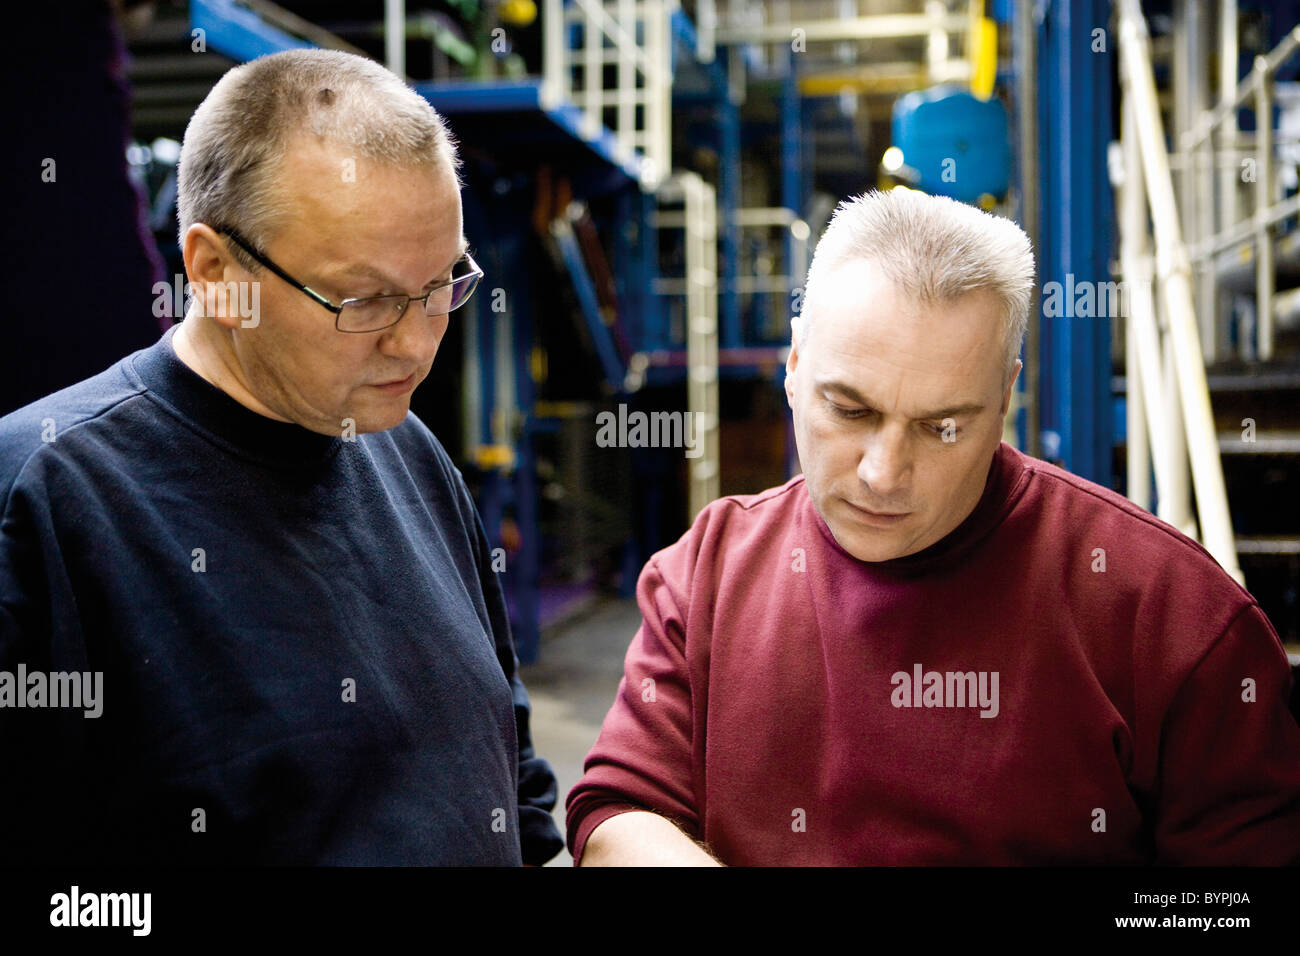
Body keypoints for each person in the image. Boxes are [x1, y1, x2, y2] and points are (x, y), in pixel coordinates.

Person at [566, 188, 1300, 866]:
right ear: (793, 365)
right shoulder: (709, 573)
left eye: (941, 426)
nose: (883, 473)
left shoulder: (1172, 617)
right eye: (850, 411)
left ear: (1007, 392)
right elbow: (618, 813)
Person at [0, 48, 563, 866]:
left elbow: (508, 777)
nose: (415, 342)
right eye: (364, 299)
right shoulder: (43, 503)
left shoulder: (409, 453)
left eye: (443, 282)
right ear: (215, 272)